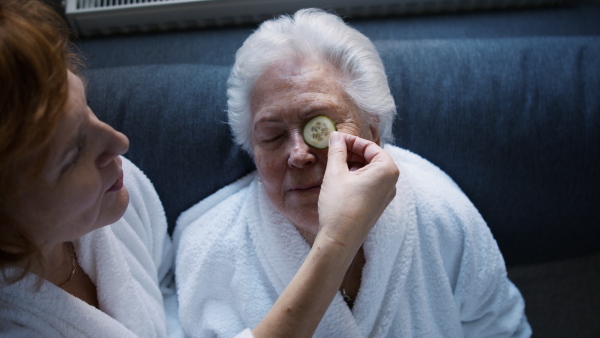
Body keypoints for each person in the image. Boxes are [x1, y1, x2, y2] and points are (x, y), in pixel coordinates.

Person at [0, 1, 399, 337]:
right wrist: (337, 241)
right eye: (72, 153)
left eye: (88, 109)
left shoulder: (119, 191)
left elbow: (164, 290)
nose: (120, 143)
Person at [174, 8, 532, 337]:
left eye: (320, 124)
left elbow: (502, 328)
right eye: (273, 135)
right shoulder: (210, 252)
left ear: (372, 130)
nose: (298, 154)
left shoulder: (441, 213)